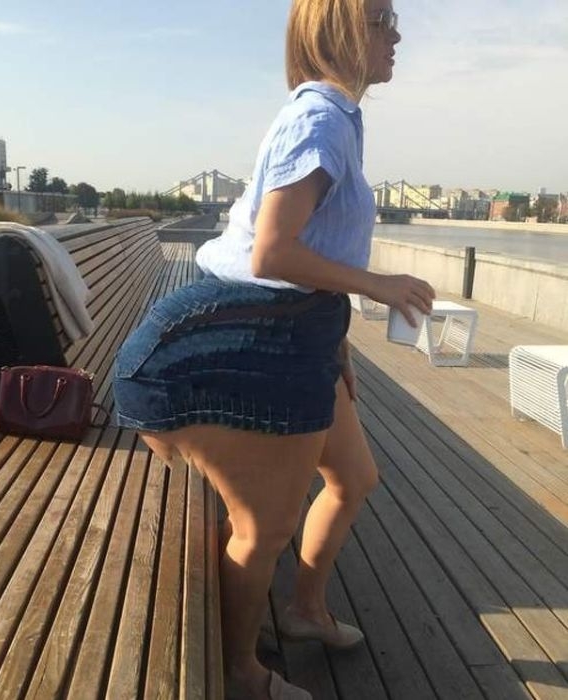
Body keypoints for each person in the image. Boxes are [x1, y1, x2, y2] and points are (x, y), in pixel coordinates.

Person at [113, 1, 435, 698]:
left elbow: (311, 248)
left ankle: (303, 610)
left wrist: (336, 339)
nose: (396, 34)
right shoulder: (319, 119)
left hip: (295, 333)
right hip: (237, 348)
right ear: (337, 29)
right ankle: (240, 670)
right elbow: (272, 253)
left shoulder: (337, 117)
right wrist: (379, 286)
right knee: (264, 527)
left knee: (354, 478)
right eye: (380, 20)